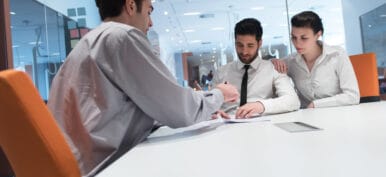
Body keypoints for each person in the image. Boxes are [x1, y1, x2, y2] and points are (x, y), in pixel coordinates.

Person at [47, 0, 239, 176]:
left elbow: (111, 112)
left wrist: (202, 110)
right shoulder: (122, 37)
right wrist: (220, 94)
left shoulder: (86, 44)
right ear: (131, 6)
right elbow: (181, 110)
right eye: (149, 11)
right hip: (104, 168)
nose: (151, 23)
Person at [212, 18, 300, 118]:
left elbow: (293, 101)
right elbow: (210, 105)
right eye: (240, 45)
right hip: (226, 124)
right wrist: (214, 112)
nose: (244, 51)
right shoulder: (221, 72)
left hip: (261, 124)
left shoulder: (273, 69)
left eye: (250, 45)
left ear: (259, 43)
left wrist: (261, 105)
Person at [272, 11, 360, 108]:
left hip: (338, 114)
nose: (297, 43)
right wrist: (273, 61)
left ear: (318, 35)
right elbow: (266, 67)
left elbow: (352, 96)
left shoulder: (337, 55)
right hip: (306, 117)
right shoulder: (291, 61)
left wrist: (316, 104)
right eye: (294, 37)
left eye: (304, 38)